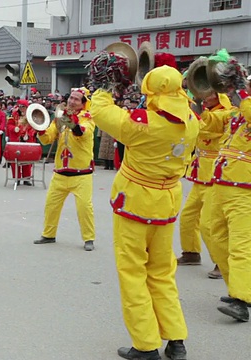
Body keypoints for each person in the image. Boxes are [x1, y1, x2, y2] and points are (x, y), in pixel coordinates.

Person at [90, 65, 199, 360]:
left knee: (133, 274)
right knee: (163, 274)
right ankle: (176, 340)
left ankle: (146, 344)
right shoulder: (192, 121)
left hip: (135, 205)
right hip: (166, 205)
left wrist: (104, 84)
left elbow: (100, 111)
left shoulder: (141, 123)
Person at [177, 92, 232, 281]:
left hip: (215, 176)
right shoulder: (206, 111)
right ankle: (191, 253)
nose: (205, 97)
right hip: (200, 174)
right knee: (187, 217)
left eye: (209, 94)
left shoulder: (227, 113)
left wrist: (197, 109)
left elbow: (208, 124)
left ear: (219, 96)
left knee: (208, 224)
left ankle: (221, 262)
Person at [208, 83, 251, 322]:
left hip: (245, 189)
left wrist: (242, 92)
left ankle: (241, 300)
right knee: (215, 237)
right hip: (222, 183)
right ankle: (240, 287)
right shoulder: (239, 111)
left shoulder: (248, 107)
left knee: (240, 245)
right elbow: (211, 126)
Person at [34, 89, 96, 250]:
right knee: (51, 205)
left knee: (84, 208)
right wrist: (39, 128)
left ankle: (89, 238)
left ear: (83, 103)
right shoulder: (60, 119)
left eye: (76, 99)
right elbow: (48, 138)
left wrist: (70, 121)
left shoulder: (87, 118)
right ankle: (48, 234)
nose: (71, 101)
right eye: (71, 98)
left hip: (81, 174)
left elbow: (82, 133)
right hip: (60, 173)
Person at [6, 99, 37, 186]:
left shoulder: (30, 115)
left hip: (27, 139)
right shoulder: (14, 115)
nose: (21, 108)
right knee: (15, 160)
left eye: (23, 106)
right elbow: (9, 125)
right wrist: (14, 129)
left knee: (27, 160)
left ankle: (26, 178)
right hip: (16, 139)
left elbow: (33, 126)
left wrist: (30, 134)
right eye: (20, 106)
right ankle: (17, 178)